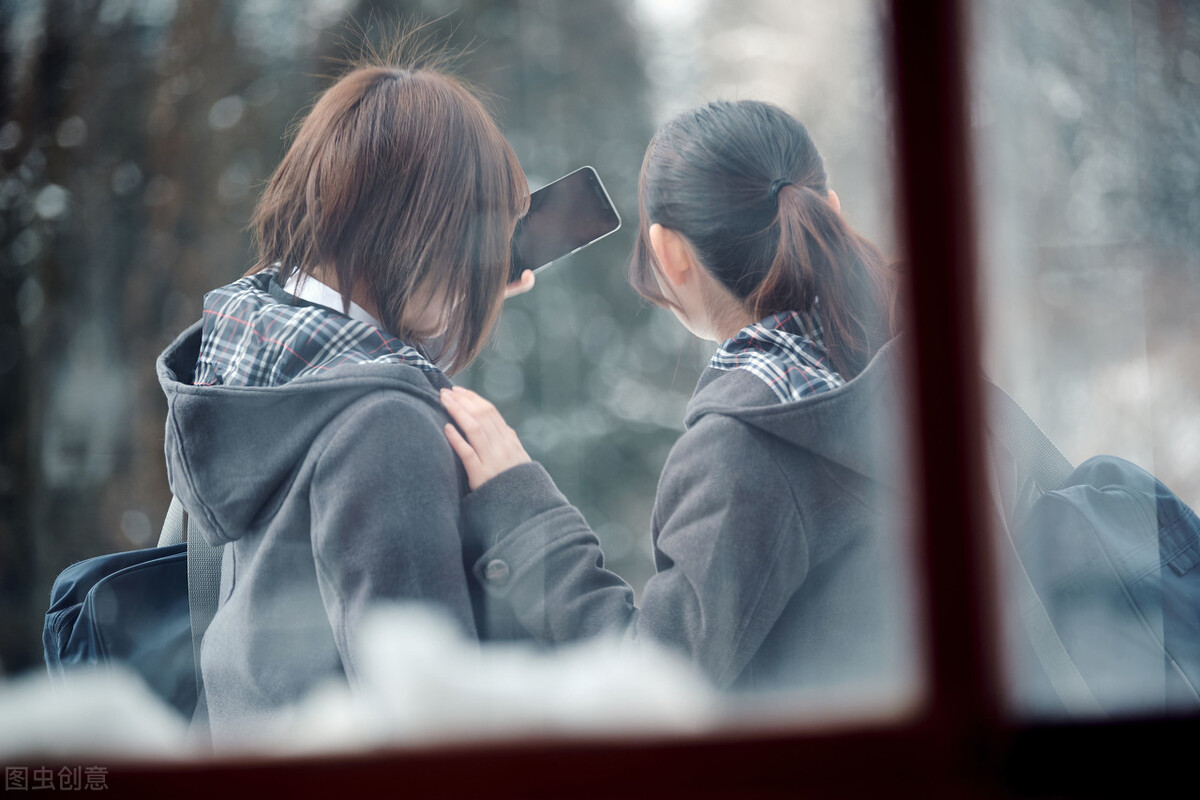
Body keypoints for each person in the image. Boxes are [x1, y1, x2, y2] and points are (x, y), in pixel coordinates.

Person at [441, 99, 914, 695]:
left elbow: (654, 687)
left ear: (669, 253)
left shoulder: (748, 446)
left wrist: (521, 507)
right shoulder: (902, 361)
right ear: (832, 213)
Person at [155, 60, 533, 738]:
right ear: (428, 232)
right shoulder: (386, 426)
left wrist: (425, 325)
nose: (487, 267)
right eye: (483, 236)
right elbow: (434, 735)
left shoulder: (240, 364)